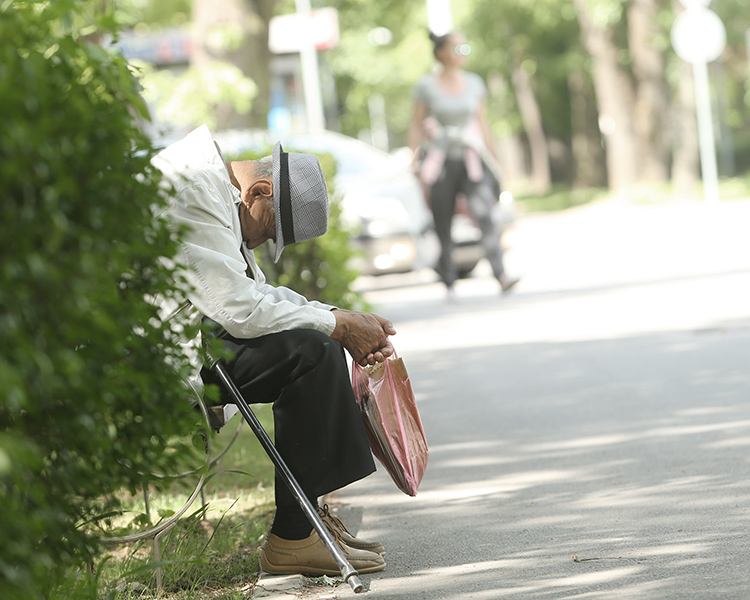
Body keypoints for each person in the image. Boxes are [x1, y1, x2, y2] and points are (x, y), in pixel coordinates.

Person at [151, 125, 392, 577]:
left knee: (315, 344)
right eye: (268, 233)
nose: (259, 244)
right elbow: (240, 309)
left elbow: (255, 294)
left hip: (190, 339)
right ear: (259, 191)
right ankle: (293, 536)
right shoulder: (195, 189)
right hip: (156, 361)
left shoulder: (221, 190)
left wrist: (338, 314)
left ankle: (304, 525)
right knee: (312, 352)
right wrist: (337, 325)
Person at [407, 30, 519, 300]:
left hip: (470, 159)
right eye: (457, 48)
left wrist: (495, 159)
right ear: (441, 53)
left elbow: (483, 123)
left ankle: (501, 274)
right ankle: (448, 281)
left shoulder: (474, 83)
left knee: (485, 214)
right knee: (442, 222)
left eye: (464, 48)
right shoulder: (426, 86)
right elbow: (416, 124)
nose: (462, 53)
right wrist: (413, 159)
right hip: (441, 161)